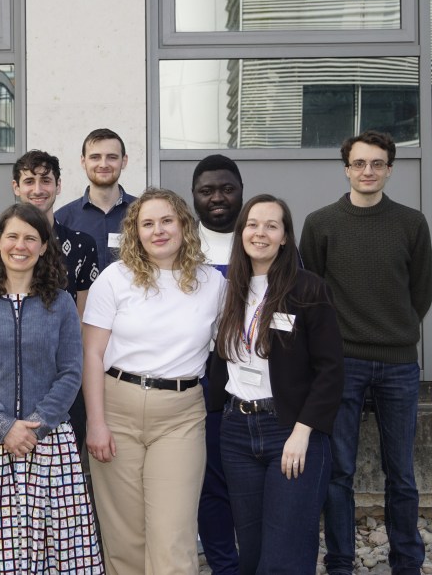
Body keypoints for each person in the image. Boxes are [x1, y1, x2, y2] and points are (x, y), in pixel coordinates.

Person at [0, 203, 103, 574]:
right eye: (12, 236)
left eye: (31, 238)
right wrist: (3, 426)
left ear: (44, 247)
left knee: (51, 543)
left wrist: (35, 425)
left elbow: (70, 372)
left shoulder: (60, 303)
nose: (20, 245)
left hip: (47, 440)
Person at [300, 131, 432, 575]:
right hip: (342, 363)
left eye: (377, 164)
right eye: (359, 164)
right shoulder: (321, 224)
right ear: (346, 169)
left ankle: (407, 562)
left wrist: (396, 332)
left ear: (390, 170)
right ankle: (340, 562)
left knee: (401, 474)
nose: (368, 172)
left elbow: (421, 293)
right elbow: (311, 294)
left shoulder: (411, 223)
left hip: (398, 363)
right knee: (338, 472)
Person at [83, 187, 225, 575]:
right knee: (124, 538)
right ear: (135, 231)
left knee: (173, 537)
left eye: (167, 221)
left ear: (184, 226)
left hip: (180, 416)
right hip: (116, 411)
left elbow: (237, 345)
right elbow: (92, 354)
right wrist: (96, 423)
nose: (158, 230)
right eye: (147, 223)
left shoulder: (213, 284)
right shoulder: (115, 279)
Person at [208, 194, 344, 574]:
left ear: (285, 237)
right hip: (236, 433)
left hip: (289, 429)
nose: (260, 233)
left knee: (285, 555)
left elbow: (331, 370)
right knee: (251, 552)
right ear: (241, 232)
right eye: (252, 224)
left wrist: (302, 433)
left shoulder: (308, 289)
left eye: (272, 225)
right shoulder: (228, 288)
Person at [0, 149, 99, 448]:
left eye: (46, 180)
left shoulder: (81, 245)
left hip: (61, 382)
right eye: (29, 181)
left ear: (59, 185)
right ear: (16, 187)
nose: (38, 189)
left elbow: (83, 320)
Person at [191, 155, 244, 575]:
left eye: (226, 188)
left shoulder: (260, 238)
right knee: (213, 484)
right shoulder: (184, 246)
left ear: (240, 190)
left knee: (255, 482)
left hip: (262, 386)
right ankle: (224, 564)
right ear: (194, 196)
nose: (218, 198)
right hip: (207, 382)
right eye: (207, 190)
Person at [55, 128, 135, 270]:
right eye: (95, 157)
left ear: (124, 161)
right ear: (83, 161)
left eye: (112, 157)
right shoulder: (63, 219)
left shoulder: (143, 213)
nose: (103, 164)